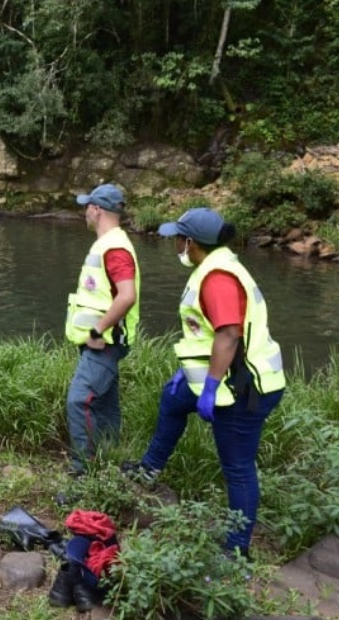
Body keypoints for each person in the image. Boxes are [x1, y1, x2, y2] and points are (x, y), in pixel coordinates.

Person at [123, 207, 285, 558]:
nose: (174, 245)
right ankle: (149, 470)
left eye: (177, 239)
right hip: (218, 377)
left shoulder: (218, 279)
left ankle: (238, 550)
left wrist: (210, 387)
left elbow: (228, 333)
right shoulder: (213, 267)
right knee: (172, 401)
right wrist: (190, 370)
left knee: (238, 468)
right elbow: (207, 332)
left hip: (243, 389)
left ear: (191, 242)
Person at [64, 183, 141, 476]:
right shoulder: (109, 243)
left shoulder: (115, 248)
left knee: (78, 401)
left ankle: (83, 471)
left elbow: (126, 295)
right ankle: (110, 460)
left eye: (87, 207)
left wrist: (97, 331)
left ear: (96, 210)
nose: (84, 212)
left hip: (104, 342)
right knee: (106, 407)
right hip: (101, 341)